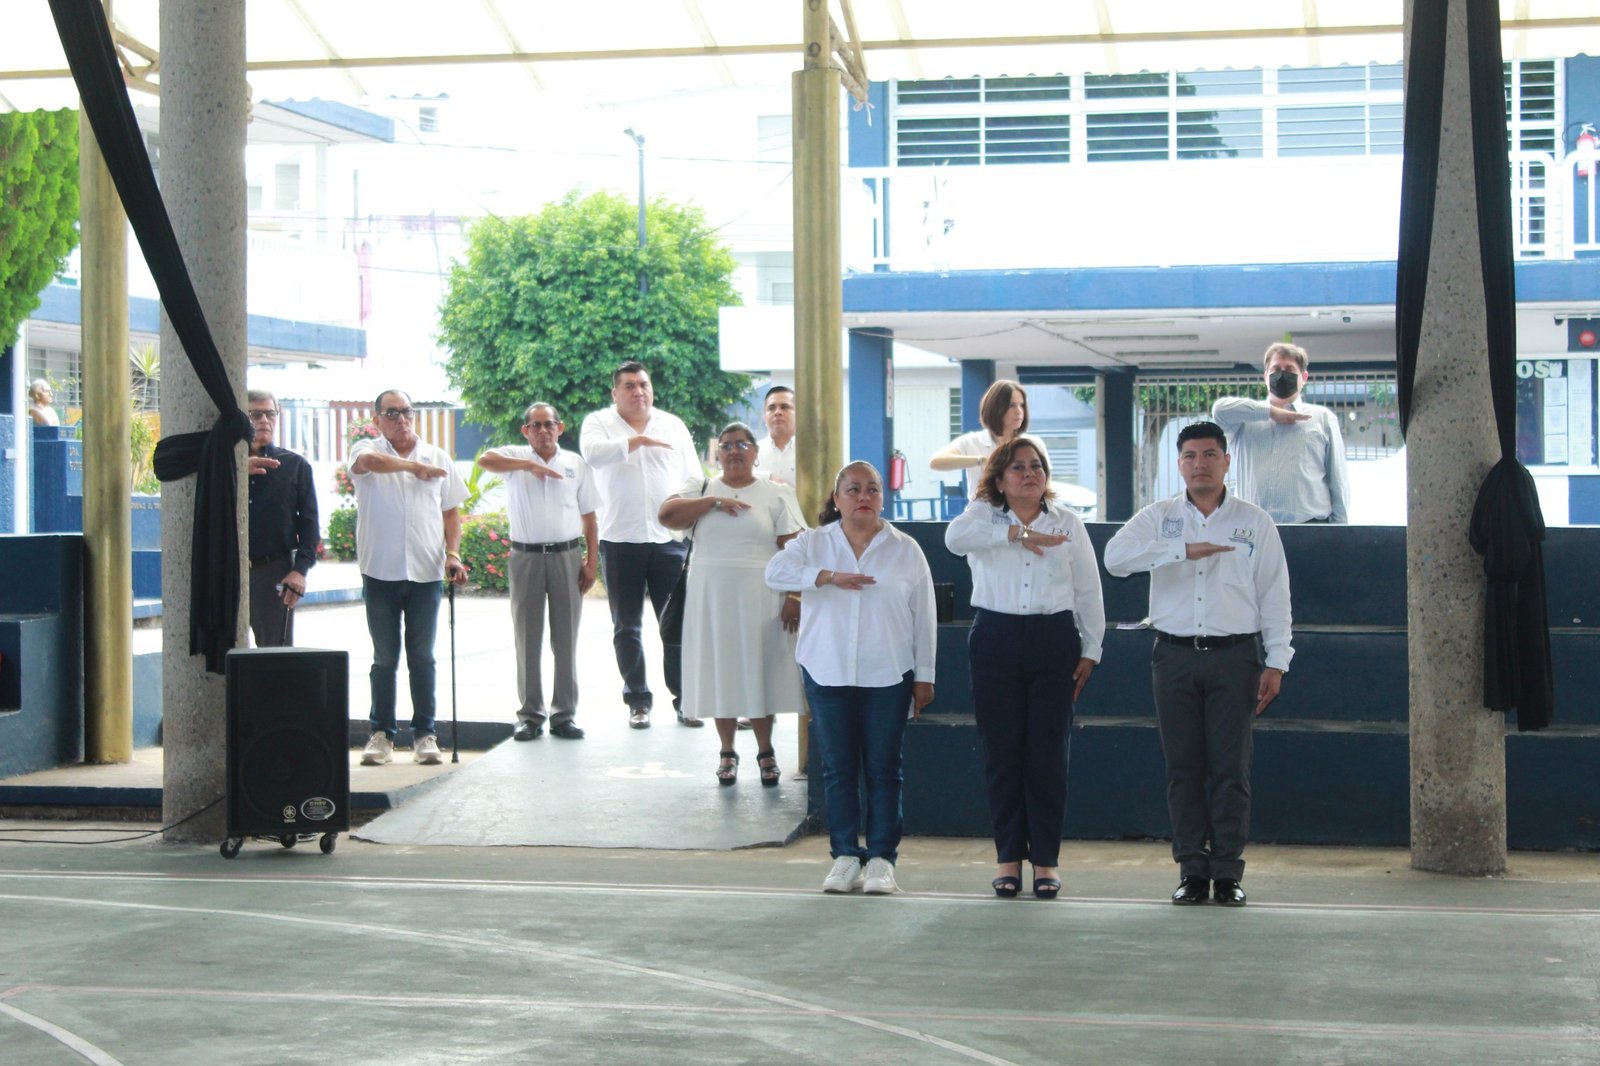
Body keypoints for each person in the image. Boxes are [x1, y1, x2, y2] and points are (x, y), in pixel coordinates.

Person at [1103, 421, 1292, 907]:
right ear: (1179, 464)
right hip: (1174, 657)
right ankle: (1191, 869)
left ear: (1226, 461)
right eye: (1189, 456)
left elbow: (1275, 595)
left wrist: (1277, 661)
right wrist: (1180, 551)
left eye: (1209, 455)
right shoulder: (1160, 517)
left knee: (1231, 769)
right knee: (1183, 768)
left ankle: (1227, 872)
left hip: (1236, 658)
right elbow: (1114, 558)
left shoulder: (1254, 522)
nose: (1199, 464)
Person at [944, 435, 1104, 901]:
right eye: (1017, 467)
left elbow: (1088, 590)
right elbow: (954, 540)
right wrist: (1016, 534)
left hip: (1054, 640)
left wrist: (1091, 649)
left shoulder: (1068, 522)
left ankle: (1047, 860)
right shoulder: (982, 517)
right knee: (1002, 754)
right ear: (999, 479)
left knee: (1048, 756)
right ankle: (1009, 857)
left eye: (1036, 466)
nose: (1029, 473)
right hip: (996, 639)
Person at [766, 461, 937, 896]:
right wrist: (826, 577)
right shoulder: (813, 542)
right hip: (827, 672)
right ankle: (844, 856)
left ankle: (881, 860)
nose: (864, 497)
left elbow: (924, 617)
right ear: (837, 498)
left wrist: (925, 675)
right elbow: (774, 573)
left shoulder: (906, 549)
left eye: (872, 489)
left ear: (883, 498)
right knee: (838, 769)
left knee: (884, 769)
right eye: (854, 489)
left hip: (888, 674)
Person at [660, 422, 805, 784]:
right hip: (710, 596)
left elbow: (795, 549)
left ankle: (765, 749)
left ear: (756, 452)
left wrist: (794, 595)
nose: (734, 451)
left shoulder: (775, 491)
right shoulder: (700, 488)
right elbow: (666, 515)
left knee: (758, 670)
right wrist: (713, 503)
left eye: (742, 444)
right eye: (726, 445)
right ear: (717, 453)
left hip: (761, 595)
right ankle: (727, 750)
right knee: (719, 671)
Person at [580, 360, 704, 730]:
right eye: (630, 386)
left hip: (669, 540)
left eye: (644, 384)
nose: (639, 392)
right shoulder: (598, 423)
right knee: (626, 626)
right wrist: (636, 442)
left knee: (676, 625)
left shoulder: (672, 424)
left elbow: (694, 476)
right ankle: (637, 701)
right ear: (615, 392)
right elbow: (593, 454)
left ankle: (685, 700)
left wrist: (692, 519)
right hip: (620, 540)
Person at [349, 389, 469, 766]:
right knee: (385, 658)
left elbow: (451, 513)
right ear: (377, 419)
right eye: (391, 413)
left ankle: (424, 735)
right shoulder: (366, 449)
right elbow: (368, 463)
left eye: (407, 412)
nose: (401, 419)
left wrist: (453, 554)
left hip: (426, 572)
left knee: (422, 657)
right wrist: (412, 468)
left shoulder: (437, 456)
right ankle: (382, 734)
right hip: (380, 571)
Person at [477, 402, 599, 741]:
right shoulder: (514, 459)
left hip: (566, 556)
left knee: (566, 638)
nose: (543, 430)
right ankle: (530, 714)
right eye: (536, 425)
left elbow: (589, 517)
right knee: (527, 639)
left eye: (549, 424)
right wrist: (529, 465)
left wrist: (591, 562)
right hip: (526, 558)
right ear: (526, 431)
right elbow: (485, 460)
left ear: (560, 428)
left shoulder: (575, 464)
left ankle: (564, 714)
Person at [1211, 341, 1350, 524]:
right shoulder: (1244, 421)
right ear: (1266, 376)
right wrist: (1271, 412)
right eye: (1276, 369)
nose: (1282, 374)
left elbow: (1338, 480)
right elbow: (1219, 410)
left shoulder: (1322, 418)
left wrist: (1340, 529)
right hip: (1252, 529)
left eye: (1290, 370)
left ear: (1304, 377)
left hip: (1309, 528)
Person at [244, 388, 319, 647]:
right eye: (255, 415)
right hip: (229, 570)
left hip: (273, 569)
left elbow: (309, 524)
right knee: (224, 653)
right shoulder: (223, 464)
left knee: (275, 653)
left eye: (270, 414)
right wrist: (236, 469)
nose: (264, 421)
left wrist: (300, 570)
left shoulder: (295, 465)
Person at [928, 379, 1028, 498]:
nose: (1019, 412)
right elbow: (936, 462)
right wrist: (982, 460)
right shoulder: (972, 442)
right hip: (981, 508)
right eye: (1012, 405)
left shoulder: (1032, 444)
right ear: (995, 408)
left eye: (1021, 405)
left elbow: (1044, 486)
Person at [755, 384, 797, 485]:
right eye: (771, 408)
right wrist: (767, 477)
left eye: (784, 407)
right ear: (764, 416)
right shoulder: (752, 453)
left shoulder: (812, 452)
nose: (777, 412)